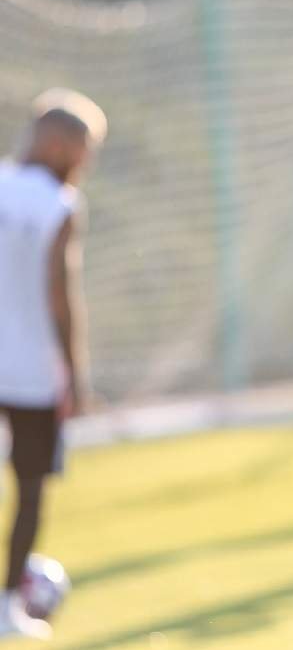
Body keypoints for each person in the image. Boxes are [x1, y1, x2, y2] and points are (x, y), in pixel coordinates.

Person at [0, 88, 106, 640]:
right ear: (62, 144)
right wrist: (76, 377)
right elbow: (61, 297)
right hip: (32, 371)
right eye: (86, 148)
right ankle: (8, 605)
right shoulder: (60, 205)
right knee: (30, 487)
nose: (87, 161)